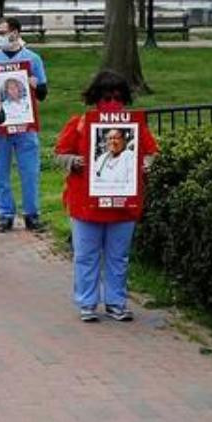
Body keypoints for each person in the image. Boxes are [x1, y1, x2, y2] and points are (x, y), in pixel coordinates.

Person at [54, 69, 159, 323]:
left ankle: (115, 302)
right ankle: (87, 303)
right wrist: (73, 161)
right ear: (95, 97)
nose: (112, 102)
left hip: (123, 206)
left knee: (118, 257)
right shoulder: (79, 123)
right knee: (86, 255)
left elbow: (152, 152)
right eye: (106, 96)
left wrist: (146, 163)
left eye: (117, 96)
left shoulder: (136, 126)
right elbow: (58, 154)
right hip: (86, 205)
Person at [0, 17, 48, 232]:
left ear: (16, 33)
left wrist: (35, 86)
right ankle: (6, 214)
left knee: (30, 171)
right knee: (0, 171)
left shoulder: (33, 59)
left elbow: (43, 94)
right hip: (0, 125)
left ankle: (32, 213)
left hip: (25, 125)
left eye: (3, 32)